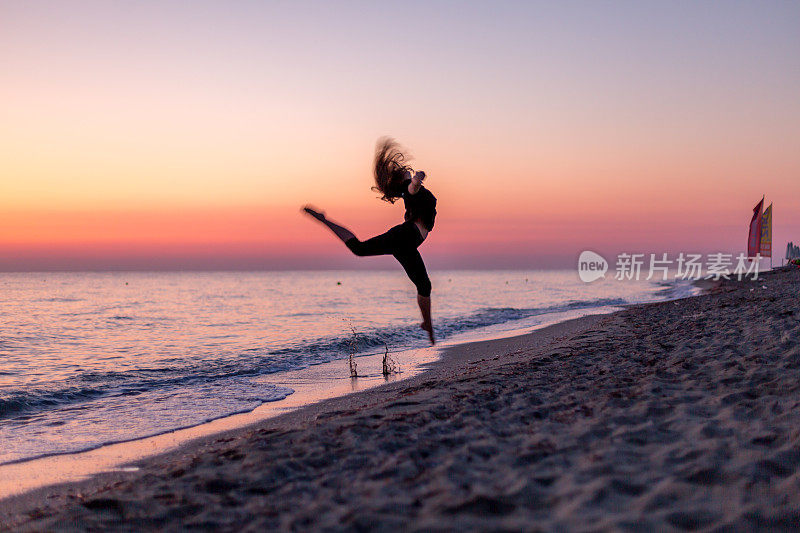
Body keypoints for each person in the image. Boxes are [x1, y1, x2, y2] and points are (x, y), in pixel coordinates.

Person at [303, 137, 437, 344]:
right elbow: (414, 187)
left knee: (421, 284)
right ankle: (427, 323)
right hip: (405, 237)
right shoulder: (410, 189)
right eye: (405, 172)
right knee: (423, 284)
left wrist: (416, 180)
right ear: (404, 179)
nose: (406, 170)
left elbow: (412, 187)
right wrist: (417, 179)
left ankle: (427, 324)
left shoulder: (406, 190)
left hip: (405, 242)